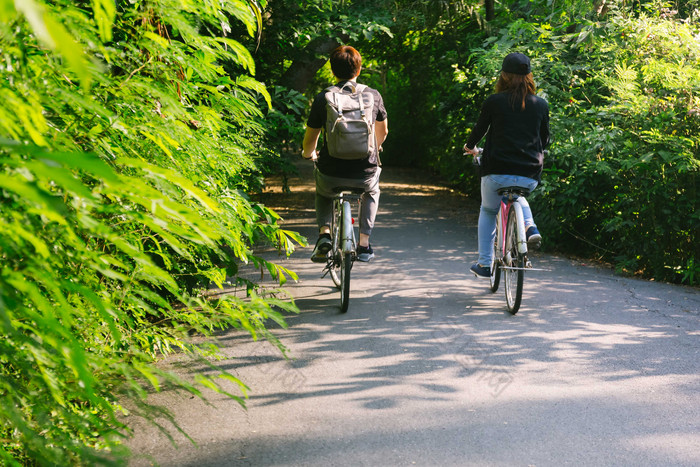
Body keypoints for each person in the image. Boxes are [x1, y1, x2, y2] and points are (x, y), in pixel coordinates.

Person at [463, 52, 550, 277]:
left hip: (496, 171)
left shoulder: (494, 101)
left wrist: (470, 146)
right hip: (529, 172)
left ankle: (484, 264)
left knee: (488, 210)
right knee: (518, 194)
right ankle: (530, 227)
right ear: (529, 76)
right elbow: (545, 140)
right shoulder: (541, 105)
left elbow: (479, 130)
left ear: (503, 76)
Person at [302, 45, 388, 263]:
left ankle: (324, 234)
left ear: (333, 71)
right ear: (358, 70)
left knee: (323, 192)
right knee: (372, 191)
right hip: (364, 172)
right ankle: (364, 244)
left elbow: (311, 137)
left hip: (331, 171)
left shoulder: (324, 97)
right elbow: (383, 131)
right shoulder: (373, 95)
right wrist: (375, 147)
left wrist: (307, 154)